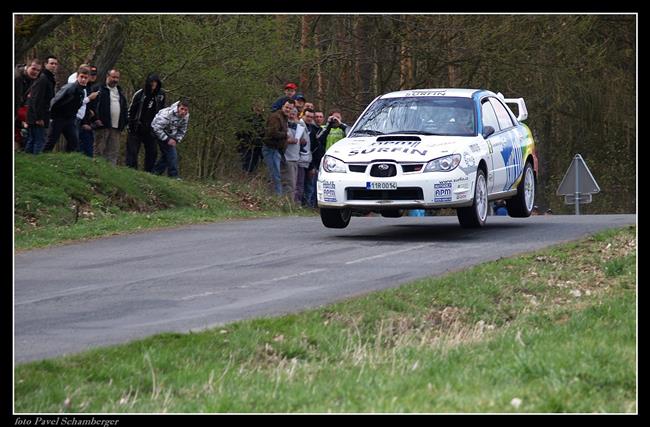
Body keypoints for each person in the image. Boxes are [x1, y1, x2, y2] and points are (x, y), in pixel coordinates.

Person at [44, 66, 91, 153]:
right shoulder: (70, 88)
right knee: (51, 140)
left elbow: (77, 105)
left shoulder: (82, 91)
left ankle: (68, 159)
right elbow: (55, 101)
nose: (83, 79)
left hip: (70, 119)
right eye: (81, 77)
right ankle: (42, 157)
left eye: (85, 78)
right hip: (58, 117)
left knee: (74, 141)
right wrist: (51, 116)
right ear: (77, 76)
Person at [126, 73, 166, 172]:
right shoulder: (140, 94)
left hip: (152, 129)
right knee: (132, 151)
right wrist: (130, 125)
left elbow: (162, 111)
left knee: (152, 152)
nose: (153, 84)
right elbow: (131, 110)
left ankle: (149, 172)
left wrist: (160, 126)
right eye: (151, 82)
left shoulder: (161, 95)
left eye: (155, 82)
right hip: (137, 127)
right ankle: (131, 171)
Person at [91, 69, 128, 165]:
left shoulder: (120, 92)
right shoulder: (99, 89)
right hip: (102, 125)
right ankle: (96, 168)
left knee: (113, 151)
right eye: (113, 77)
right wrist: (95, 119)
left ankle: (111, 172)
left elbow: (124, 108)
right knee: (99, 149)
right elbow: (92, 106)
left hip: (116, 127)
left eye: (117, 78)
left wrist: (124, 122)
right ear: (107, 77)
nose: (115, 80)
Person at [24, 55, 58, 154]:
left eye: (55, 64)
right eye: (51, 63)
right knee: (38, 141)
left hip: (38, 115)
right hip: (38, 116)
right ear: (45, 64)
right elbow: (37, 99)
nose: (54, 66)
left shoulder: (48, 78)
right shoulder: (43, 78)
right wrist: (39, 118)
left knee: (33, 140)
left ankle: (29, 162)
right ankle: (36, 163)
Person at [151, 98, 190, 178]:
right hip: (156, 130)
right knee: (172, 154)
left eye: (186, 110)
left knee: (167, 155)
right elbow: (157, 128)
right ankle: (174, 176)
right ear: (178, 108)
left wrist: (176, 139)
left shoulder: (186, 117)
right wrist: (167, 139)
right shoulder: (167, 114)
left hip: (170, 133)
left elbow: (182, 130)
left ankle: (155, 173)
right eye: (182, 109)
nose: (183, 112)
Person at [263, 99, 293, 195]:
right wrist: (285, 135)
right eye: (286, 107)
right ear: (282, 106)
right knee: (275, 175)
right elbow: (271, 133)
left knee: (281, 175)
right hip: (271, 149)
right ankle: (276, 198)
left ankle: (279, 198)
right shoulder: (275, 117)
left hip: (278, 150)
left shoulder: (284, 118)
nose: (288, 110)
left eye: (290, 108)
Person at [14, 59, 42, 150]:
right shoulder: (17, 78)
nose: (35, 72)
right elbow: (16, 100)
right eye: (33, 69)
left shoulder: (31, 78)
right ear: (27, 67)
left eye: (38, 70)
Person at [236, 102, 266, 174]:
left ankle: (250, 178)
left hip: (258, 146)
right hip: (247, 146)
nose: (259, 107)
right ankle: (245, 178)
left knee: (254, 164)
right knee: (246, 164)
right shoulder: (246, 117)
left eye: (260, 106)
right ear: (253, 106)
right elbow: (240, 132)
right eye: (257, 105)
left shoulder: (262, 119)